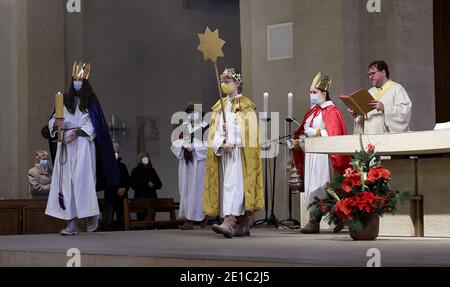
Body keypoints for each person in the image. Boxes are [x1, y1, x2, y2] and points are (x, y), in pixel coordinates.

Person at [45, 61, 120, 236]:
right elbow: (53, 121)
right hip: (66, 145)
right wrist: (55, 123)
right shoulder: (65, 100)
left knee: (82, 181)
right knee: (66, 183)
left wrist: (78, 133)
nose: (77, 82)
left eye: (80, 79)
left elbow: (95, 125)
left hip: (83, 145)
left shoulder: (91, 101)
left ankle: (90, 213)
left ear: (85, 82)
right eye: (75, 79)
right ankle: (71, 223)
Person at [203, 67, 264, 238]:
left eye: (228, 81)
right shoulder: (220, 106)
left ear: (237, 83)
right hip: (225, 153)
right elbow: (212, 132)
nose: (224, 84)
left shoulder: (246, 106)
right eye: (222, 81)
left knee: (235, 186)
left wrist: (232, 134)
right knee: (229, 186)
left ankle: (229, 222)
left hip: (240, 154)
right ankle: (243, 224)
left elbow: (250, 134)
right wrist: (221, 143)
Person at [292, 72, 351, 234]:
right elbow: (305, 132)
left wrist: (314, 133)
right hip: (312, 155)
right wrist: (301, 142)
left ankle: (339, 216)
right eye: (310, 92)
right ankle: (314, 221)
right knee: (313, 187)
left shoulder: (331, 111)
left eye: (314, 92)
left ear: (324, 93)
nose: (311, 95)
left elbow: (334, 134)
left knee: (323, 186)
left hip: (324, 157)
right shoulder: (313, 111)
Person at [171, 101, 209, 230]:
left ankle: (200, 217)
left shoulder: (205, 127)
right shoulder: (184, 127)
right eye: (189, 113)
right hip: (186, 165)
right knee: (186, 190)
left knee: (198, 191)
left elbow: (210, 145)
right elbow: (174, 143)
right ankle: (188, 218)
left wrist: (194, 147)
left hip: (199, 164)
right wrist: (183, 145)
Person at [350, 60, 412, 134]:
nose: (370, 77)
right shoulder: (370, 92)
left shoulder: (396, 89)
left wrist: (385, 108)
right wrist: (358, 114)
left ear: (383, 73)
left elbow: (405, 112)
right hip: (369, 135)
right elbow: (365, 116)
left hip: (386, 136)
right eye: (369, 75)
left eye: (373, 73)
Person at [104, 143, 130, 231]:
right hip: (111, 197)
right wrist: (116, 190)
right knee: (109, 220)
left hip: (121, 198)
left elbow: (127, 180)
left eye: (117, 151)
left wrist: (124, 188)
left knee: (122, 220)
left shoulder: (122, 166)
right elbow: (105, 182)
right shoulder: (106, 166)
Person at [129, 152, 162, 220]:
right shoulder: (135, 171)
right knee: (141, 219)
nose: (146, 159)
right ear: (140, 160)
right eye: (144, 158)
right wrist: (146, 184)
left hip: (152, 199)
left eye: (147, 158)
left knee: (151, 219)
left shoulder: (152, 170)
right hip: (140, 199)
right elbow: (133, 185)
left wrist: (153, 185)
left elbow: (159, 184)